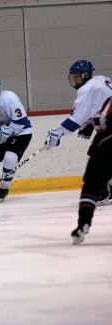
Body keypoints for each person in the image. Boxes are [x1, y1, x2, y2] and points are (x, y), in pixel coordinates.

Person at [45, 59, 112, 203]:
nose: (74, 80)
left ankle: (103, 191)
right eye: (73, 76)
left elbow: (76, 118)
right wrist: (89, 122)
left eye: (76, 76)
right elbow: (98, 104)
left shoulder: (87, 89)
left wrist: (58, 132)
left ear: (85, 75)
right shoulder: (100, 79)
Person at [71, 95, 112, 244]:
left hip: (108, 143)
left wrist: (90, 125)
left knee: (91, 185)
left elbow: (101, 121)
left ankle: (83, 224)